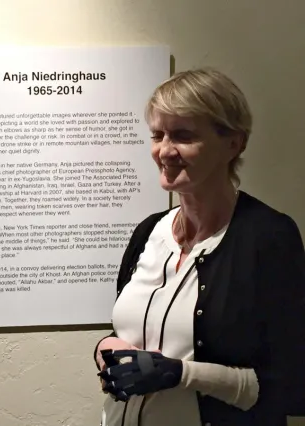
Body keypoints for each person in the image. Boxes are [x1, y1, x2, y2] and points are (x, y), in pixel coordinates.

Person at [94, 68, 305, 426]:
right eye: (157, 135)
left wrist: (181, 375)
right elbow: (133, 333)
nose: (165, 150)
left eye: (183, 135)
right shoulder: (149, 232)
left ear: (233, 143)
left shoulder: (267, 237)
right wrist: (105, 349)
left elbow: (293, 384)